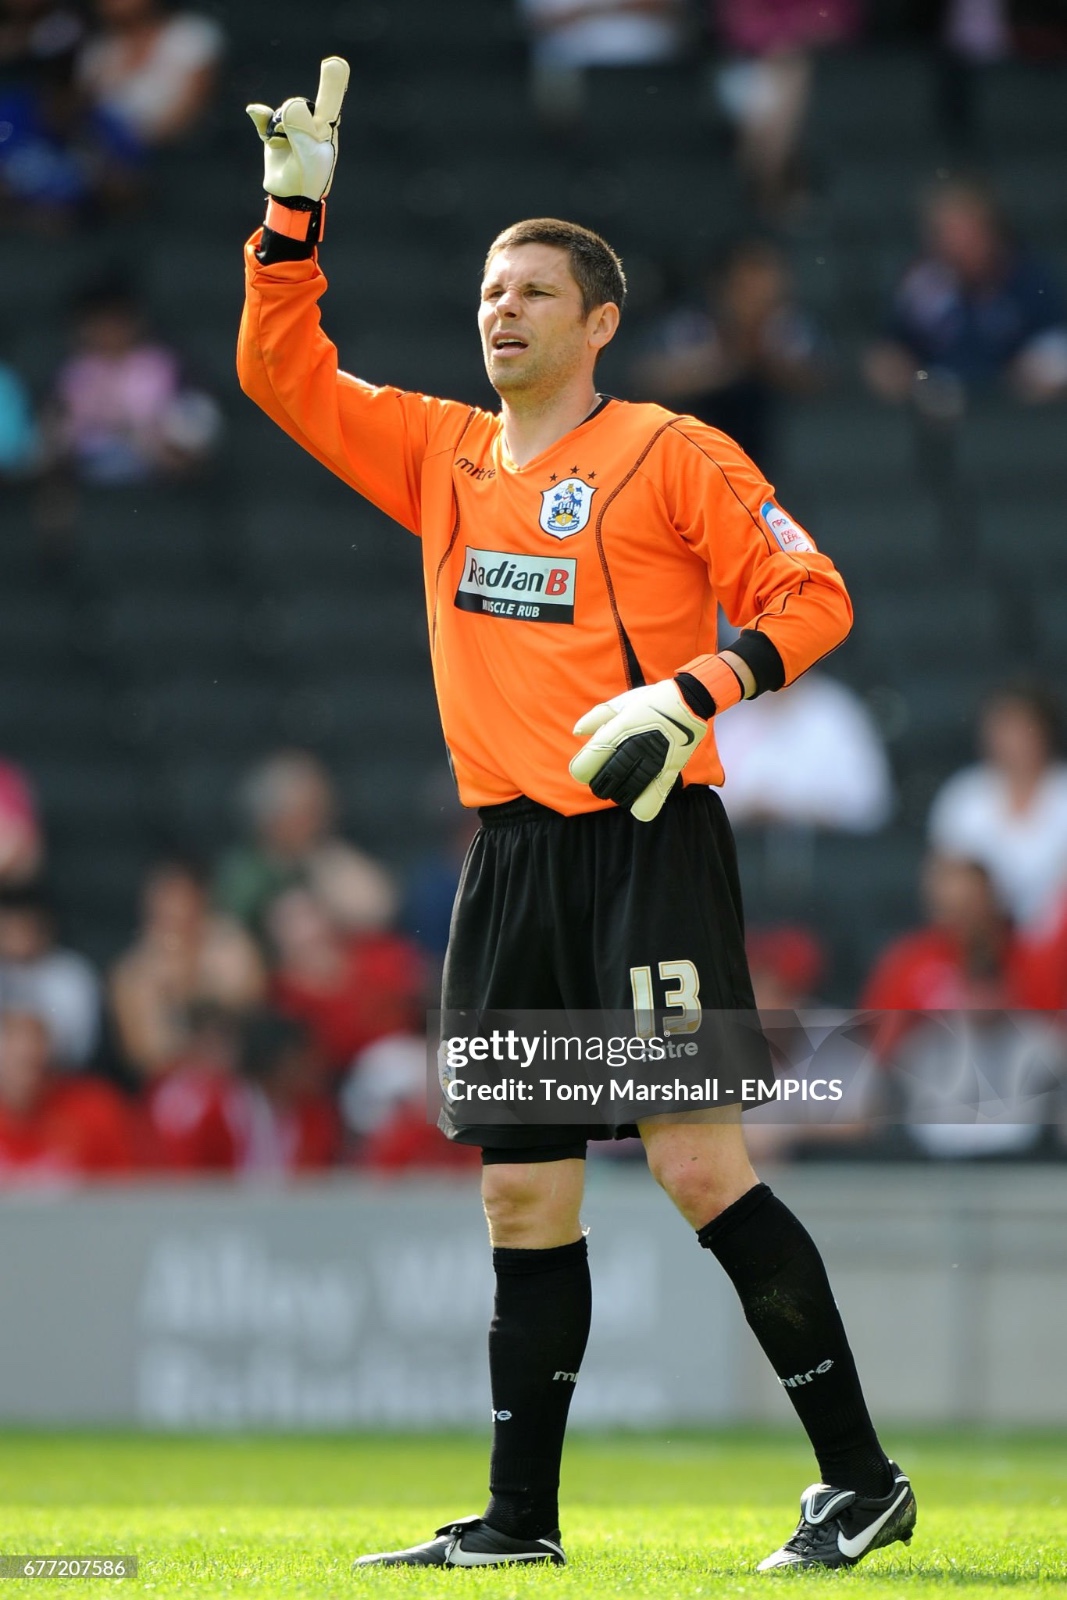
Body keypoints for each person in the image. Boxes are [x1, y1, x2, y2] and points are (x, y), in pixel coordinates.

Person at [238, 58, 914, 1572]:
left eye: (535, 292)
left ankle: (859, 1480)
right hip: (512, 860)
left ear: (597, 323)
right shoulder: (439, 454)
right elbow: (283, 378)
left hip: (647, 846)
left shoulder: (669, 454)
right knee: (523, 1190)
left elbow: (814, 597)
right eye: (491, 290)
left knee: (691, 1164)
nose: (502, 311)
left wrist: (694, 693)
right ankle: (519, 1524)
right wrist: (291, 219)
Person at [863, 180, 1067, 410]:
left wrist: (1036, 372)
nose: (958, 246)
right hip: (939, 408)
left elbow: (1056, 347)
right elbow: (890, 349)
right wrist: (903, 372)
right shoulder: (921, 284)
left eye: (967, 233)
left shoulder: (1029, 280)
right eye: (948, 235)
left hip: (1016, 416)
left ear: (992, 232)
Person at [629, 239, 828, 471]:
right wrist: (725, 363)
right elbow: (649, 380)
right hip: (697, 456)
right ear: (724, 286)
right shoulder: (692, 326)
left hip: (774, 463)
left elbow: (820, 382)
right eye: (748, 287)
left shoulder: (791, 328)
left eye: (768, 286)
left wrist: (766, 360)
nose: (758, 296)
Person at [109, 859, 265, 1082]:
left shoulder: (230, 942)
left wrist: (189, 981)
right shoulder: (133, 971)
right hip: (174, 1085)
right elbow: (148, 1056)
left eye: (181, 898)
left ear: (200, 899)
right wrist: (170, 996)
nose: (173, 910)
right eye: (163, 901)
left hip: (241, 1073)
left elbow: (250, 1009)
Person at [927, 683, 1067, 931]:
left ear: (1045, 731)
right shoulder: (965, 797)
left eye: (1023, 729)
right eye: (1004, 728)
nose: (1014, 741)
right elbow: (947, 884)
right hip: (984, 939)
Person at [75, 0, 223, 150]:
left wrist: (135, 140)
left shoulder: (191, 34)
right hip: (106, 156)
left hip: (179, 153)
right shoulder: (97, 52)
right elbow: (85, 113)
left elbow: (191, 113)